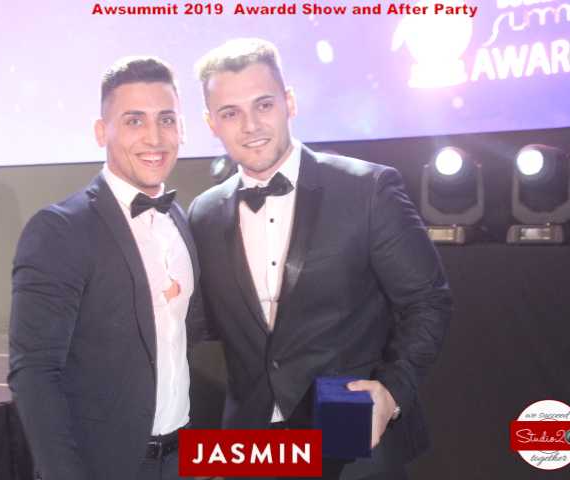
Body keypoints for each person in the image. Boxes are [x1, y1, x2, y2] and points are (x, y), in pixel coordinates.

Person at [188, 38, 453, 480]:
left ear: (289, 102)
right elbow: (206, 322)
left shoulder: (368, 189)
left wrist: (392, 390)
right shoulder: (204, 212)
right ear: (211, 123)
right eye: (230, 113)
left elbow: (428, 301)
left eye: (264, 105)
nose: (250, 125)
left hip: (351, 435)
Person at [8, 56, 202, 480]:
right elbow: (34, 372)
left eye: (166, 119)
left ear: (182, 129)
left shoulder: (180, 220)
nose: (155, 137)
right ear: (101, 132)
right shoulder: (60, 229)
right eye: (134, 120)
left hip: (182, 459)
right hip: (103, 467)